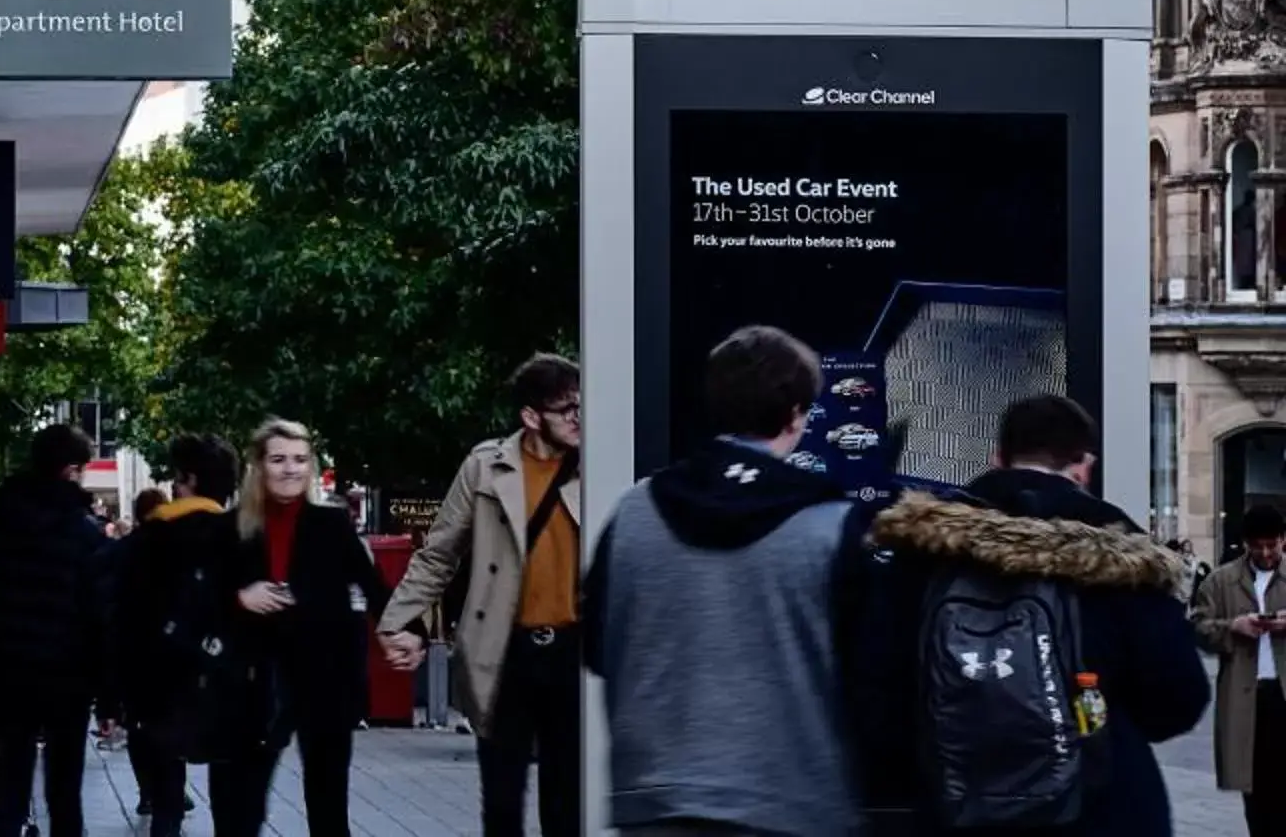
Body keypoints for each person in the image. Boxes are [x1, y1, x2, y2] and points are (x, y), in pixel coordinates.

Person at [872, 390, 1207, 837]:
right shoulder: (1125, 554)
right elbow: (1179, 699)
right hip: (1101, 808)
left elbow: (878, 687)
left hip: (955, 808)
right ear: (1083, 465)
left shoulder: (923, 549)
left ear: (998, 458)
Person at [587, 324, 866, 837]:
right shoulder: (833, 524)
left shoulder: (633, 512)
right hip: (789, 805)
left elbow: (597, 649)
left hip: (654, 800)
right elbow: (868, 676)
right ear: (796, 414)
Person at [379, 355, 585, 837]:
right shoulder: (486, 466)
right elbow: (438, 554)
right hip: (502, 650)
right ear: (531, 417)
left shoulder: (598, 464)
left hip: (574, 650)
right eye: (566, 409)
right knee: (501, 801)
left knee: (569, 803)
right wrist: (399, 622)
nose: (579, 418)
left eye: (582, 406)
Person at [208, 416, 390, 837]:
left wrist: (405, 630)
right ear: (258, 466)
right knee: (243, 806)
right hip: (254, 678)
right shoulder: (228, 528)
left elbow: (373, 586)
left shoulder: (333, 524)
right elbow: (197, 598)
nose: (290, 469)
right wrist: (240, 597)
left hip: (325, 675)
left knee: (329, 803)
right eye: (278, 459)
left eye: (300, 459)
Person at [0, 420, 113, 837]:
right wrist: (107, 692)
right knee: (65, 790)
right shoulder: (84, 533)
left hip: (5, 672)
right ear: (71, 470)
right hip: (67, 678)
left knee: (9, 784)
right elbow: (100, 615)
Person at [116, 435, 238, 836]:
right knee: (232, 801)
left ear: (187, 479)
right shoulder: (242, 540)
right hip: (225, 687)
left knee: (167, 801)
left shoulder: (148, 539)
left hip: (159, 687)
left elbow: (122, 615)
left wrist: (115, 695)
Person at [1196, 500, 1286, 832]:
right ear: (1246, 544)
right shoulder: (1220, 581)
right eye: (1257, 546)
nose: (1265, 553)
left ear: (1283, 540)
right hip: (1247, 698)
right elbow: (1197, 628)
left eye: (1272, 545)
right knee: (1257, 789)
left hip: (1283, 696)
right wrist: (1232, 627)